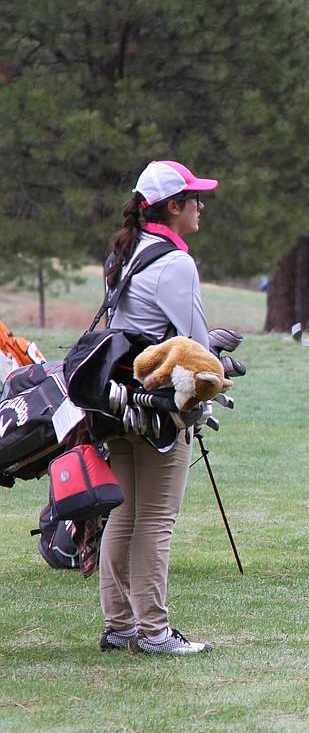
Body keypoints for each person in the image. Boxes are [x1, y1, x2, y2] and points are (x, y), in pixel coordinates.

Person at [98, 160, 220, 655]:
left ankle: (120, 625)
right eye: (194, 199)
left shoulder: (123, 252)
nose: (201, 206)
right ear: (174, 207)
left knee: (124, 515)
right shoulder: (176, 262)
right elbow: (198, 345)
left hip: (113, 401)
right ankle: (152, 631)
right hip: (158, 409)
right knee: (155, 519)